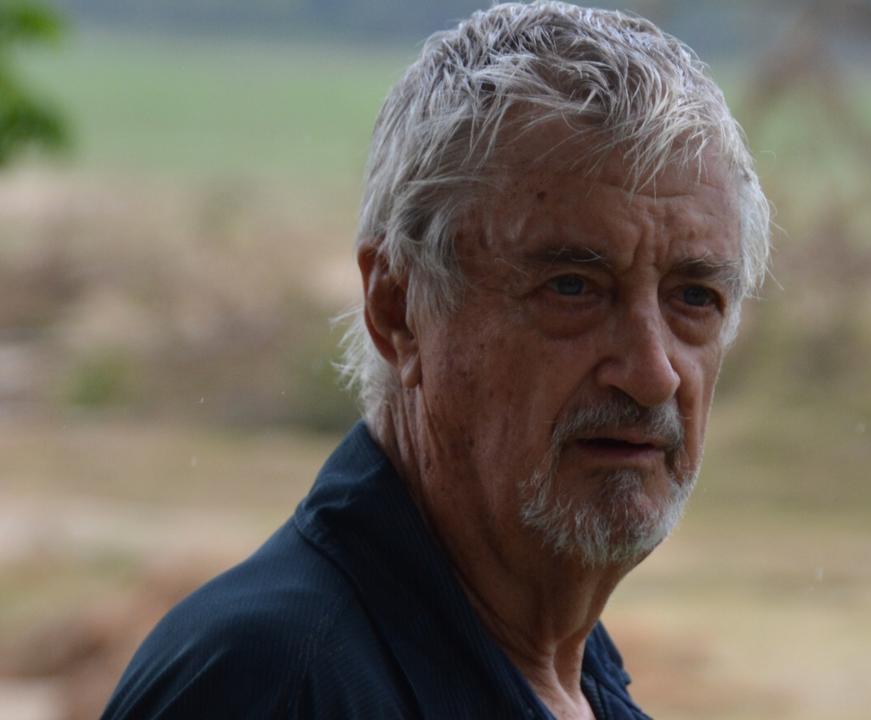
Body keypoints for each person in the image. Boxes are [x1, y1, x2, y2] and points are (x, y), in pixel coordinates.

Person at [102, 2, 770, 718]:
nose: (653, 372)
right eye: (573, 287)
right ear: (398, 310)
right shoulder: (273, 687)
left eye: (694, 298)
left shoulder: (572, 680)